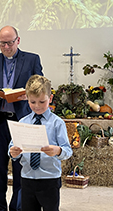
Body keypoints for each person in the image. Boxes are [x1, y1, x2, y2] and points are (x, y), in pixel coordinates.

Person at [0, 25, 43, 211]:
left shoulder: (32, 59)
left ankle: (17, 207)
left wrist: (29, 95)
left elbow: (41, 86)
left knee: (20, 169)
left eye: (10, 43)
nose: (6, 47)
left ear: (18, 40)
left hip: (21, 121)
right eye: (2, 43)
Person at [9, 75, 72, 211]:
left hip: (50, 179)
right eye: (33, 102)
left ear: (50, 98)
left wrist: (58, 151)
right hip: (27, 178)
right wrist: (13, 152)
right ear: (27, 99)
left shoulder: (57, 123)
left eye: (42, 102)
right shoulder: (23, 122)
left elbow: (68, 150)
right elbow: (12, 147)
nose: (37, 106)